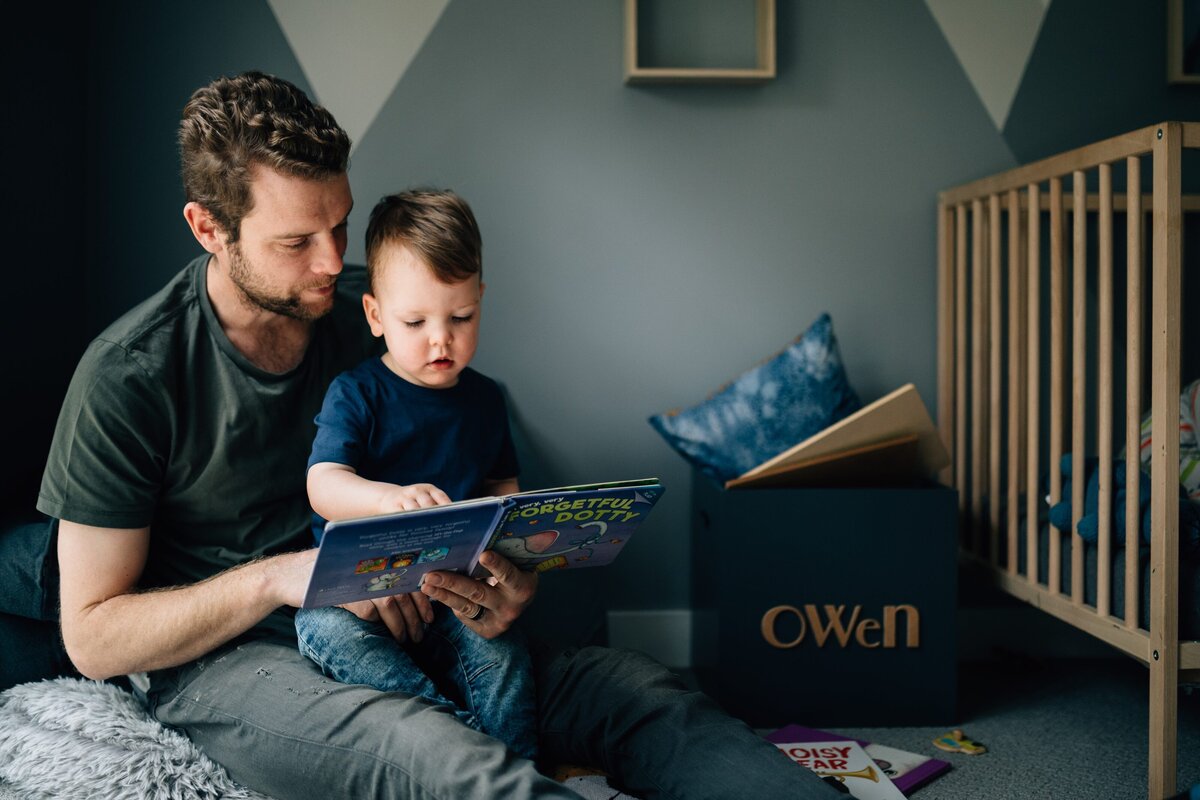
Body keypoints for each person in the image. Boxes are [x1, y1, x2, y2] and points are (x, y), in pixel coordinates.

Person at [38, 70, 839, 798]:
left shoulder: (381, 317)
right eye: (296, 242)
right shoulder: (131, 374)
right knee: (441, 759)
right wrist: (284, 578)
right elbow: (94, 636)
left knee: (645, 694)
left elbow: (478, 469)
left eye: (341, 226)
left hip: (430, 621)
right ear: (209, 230)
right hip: (243, 661)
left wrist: (510, 580)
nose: (331, 263)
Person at [295, 189, 537, 760]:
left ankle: (519, 773)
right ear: (376, 316)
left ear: (481, 299)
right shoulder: (358, 392)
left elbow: (503, 487)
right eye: (415, 320)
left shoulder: (484, 400)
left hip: (448, 594)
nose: (440, 338)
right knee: (325, 635)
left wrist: (516, 534)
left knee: (505, 658)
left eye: (461, 317)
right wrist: (386, 500)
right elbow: (322, 483)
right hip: (353, 596)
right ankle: (460, 754)